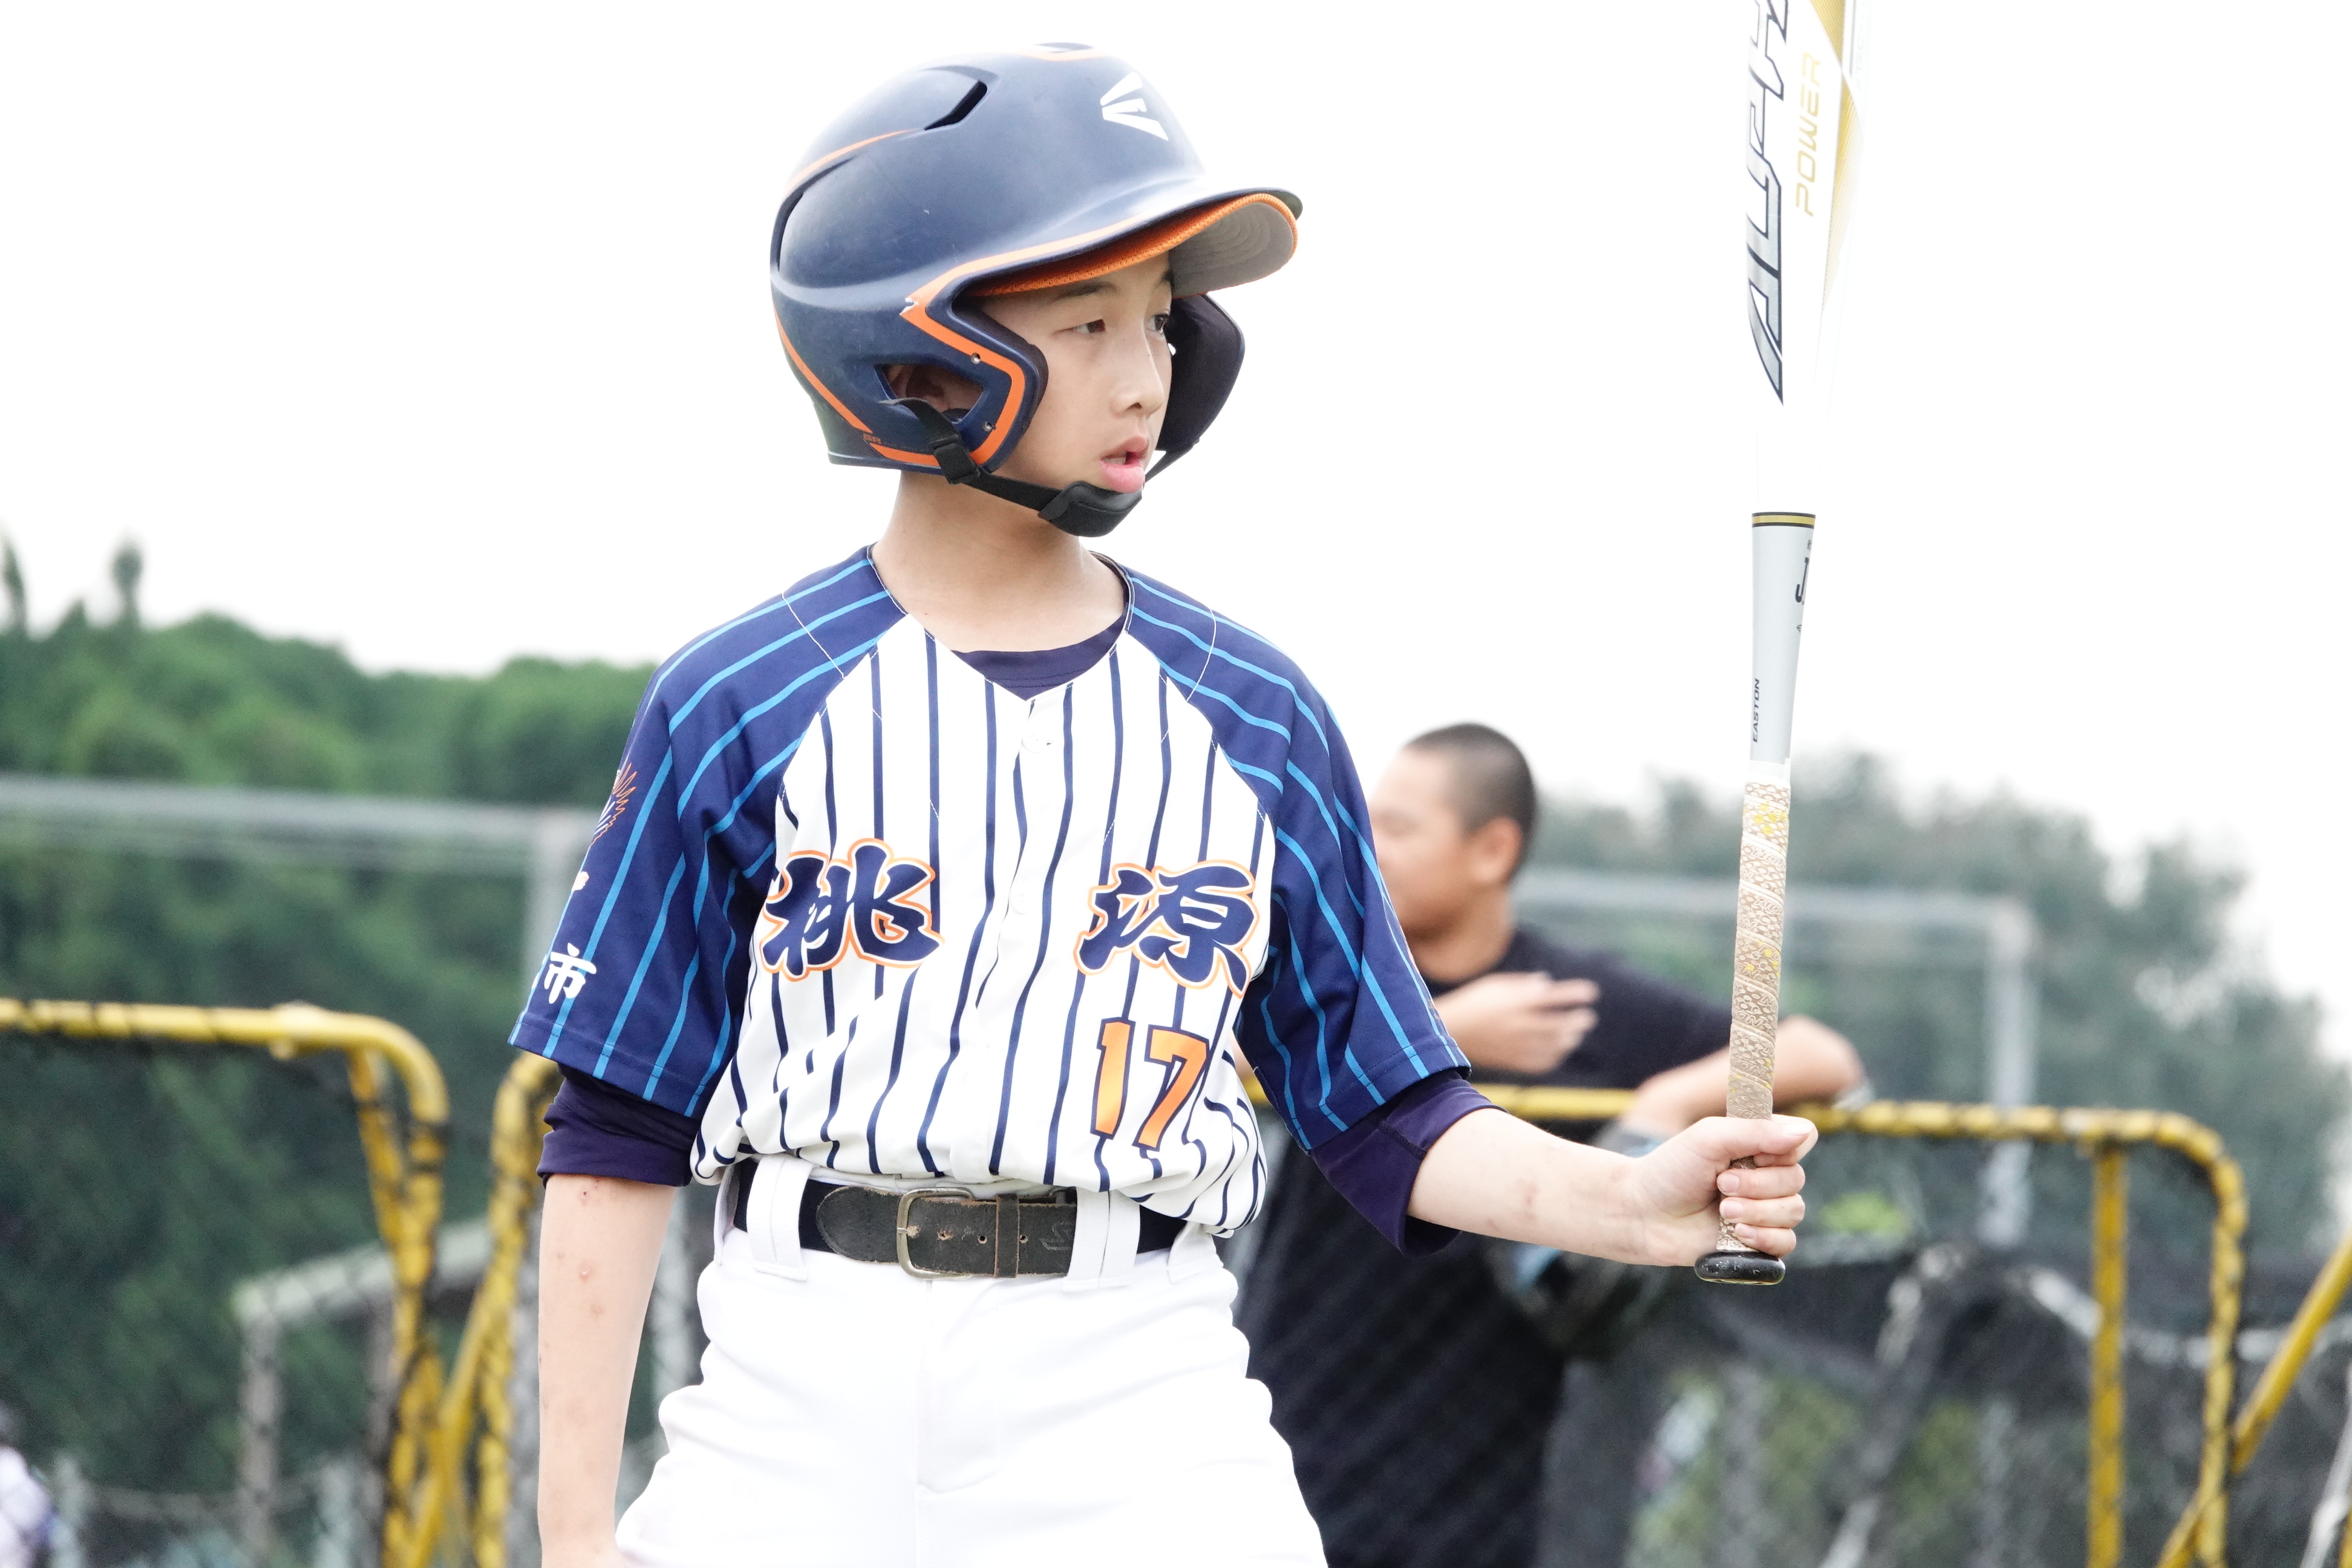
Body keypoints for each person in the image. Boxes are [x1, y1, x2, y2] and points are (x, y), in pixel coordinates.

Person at [512, 50, 1815, 1568]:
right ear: (914, 350)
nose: (1146, 376)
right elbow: (616, 1128)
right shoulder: (741, 696)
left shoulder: (1254, 714)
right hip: (802, 1381)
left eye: (1157, 320)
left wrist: (1634, 1203)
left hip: (1134, 1384)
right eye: (1088, 323)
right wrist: (573, 1538)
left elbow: (1388, 1111)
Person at [1241, 724, 1861, 1568]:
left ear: (1493, 850)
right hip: (1298, 1384)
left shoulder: (1568, 1001)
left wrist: (1665, 1103)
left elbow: (1823, 1055)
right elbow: (1201, 1056)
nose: (1366, 847)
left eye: (1398, 827)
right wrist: (1443, 1031)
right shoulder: (1339, 978)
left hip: (1484, 1436)